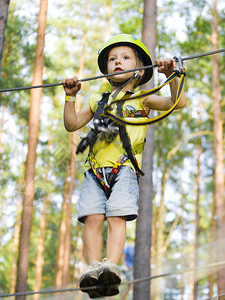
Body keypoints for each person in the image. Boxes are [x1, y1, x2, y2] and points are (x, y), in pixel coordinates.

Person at [62, 34, 186, 298]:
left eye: (125, 58)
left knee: (116, 216)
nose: (118, 62)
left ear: (140, 67)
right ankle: (94, 270)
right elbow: (72, 124)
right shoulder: (98, 100)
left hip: (124, 168)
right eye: (112, 59)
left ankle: (111, 266)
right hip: (94, 170)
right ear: (106, 69)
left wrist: (171, 75)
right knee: (92, 218)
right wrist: (70, 97)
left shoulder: (143, 98)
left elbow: (177, 103)